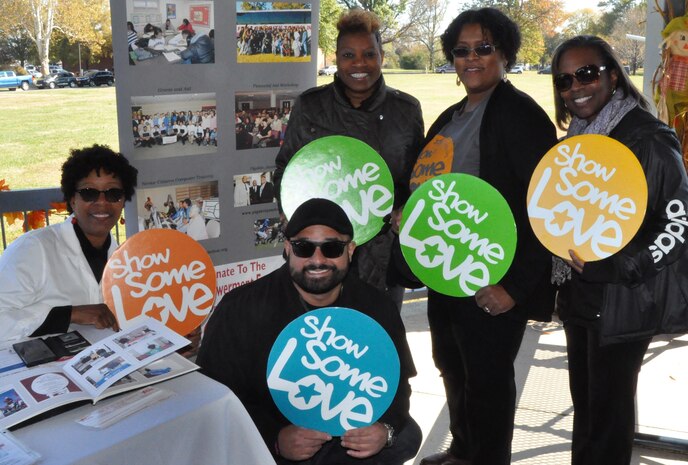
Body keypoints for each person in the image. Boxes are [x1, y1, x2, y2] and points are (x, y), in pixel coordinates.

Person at [416, 8, 557, 465]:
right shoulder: (452, 116)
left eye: (484, 48)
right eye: (461, 50)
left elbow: (545, 208)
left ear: (506, 54)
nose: (471, 58)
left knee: (489, 383)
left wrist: (515, 288)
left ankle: (487, 458)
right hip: (446, 274)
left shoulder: (521, 116)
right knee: (453, 368)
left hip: (492, 278)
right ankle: (464, 450)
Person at [198, 198, 422, 465]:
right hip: (272, 440)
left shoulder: (376, 307)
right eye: (304, 248)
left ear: (350, 250)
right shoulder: (241, 309)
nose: (318, 260)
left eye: (332, 248)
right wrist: (275, 439)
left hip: (348, 437)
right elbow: (215, 399)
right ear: (288, 249)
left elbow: (398, 386)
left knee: (406, 435)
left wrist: (384, 430)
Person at [550, 35, 688, 465]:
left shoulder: (646, 137)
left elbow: (679, 221)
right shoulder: (578, 139)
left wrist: (621, 266)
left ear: (612, 74)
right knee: (588, 411)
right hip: (580, 295)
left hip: (621, 300)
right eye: (565, 80)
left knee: (607, 419)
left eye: (587, 73)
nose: (576, 87)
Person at [274, 9, 424, 310]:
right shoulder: (311, 105)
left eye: (369, 54)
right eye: (348, 54)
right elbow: (286, 169)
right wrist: (288, 211)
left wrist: (405, 209)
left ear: (381, 55)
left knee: (376, 339)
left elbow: (416, 179)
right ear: (336, 57)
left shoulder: (406, 110)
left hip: (382, 255)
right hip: (321, 253)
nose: (359, 64)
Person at [0, 145, 138, 342]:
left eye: (113, 193)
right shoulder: (32, 250)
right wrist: (69, 315)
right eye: (89, 192)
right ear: (72, 199)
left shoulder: (128, 261)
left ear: (124, 200)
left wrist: (178, 338)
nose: (102, 202)